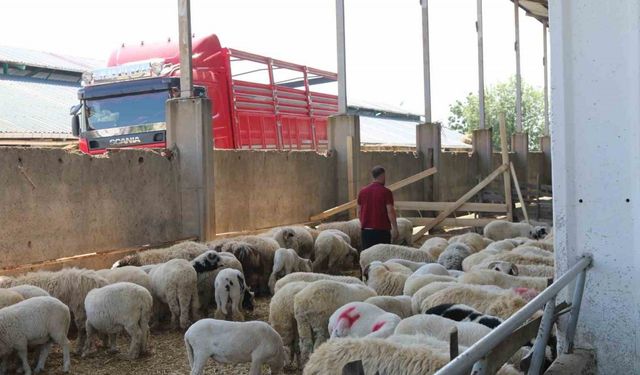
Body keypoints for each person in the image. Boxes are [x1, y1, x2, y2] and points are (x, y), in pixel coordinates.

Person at [357, 165, 398, 250]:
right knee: (382, 258)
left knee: (368, 257)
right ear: (382, 175)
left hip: (366, 231)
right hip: (382, 231)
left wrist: (364, 224)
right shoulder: (386, 192)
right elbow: (390, 211)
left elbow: (359, 211)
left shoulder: (362, 192)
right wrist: (395, 228)